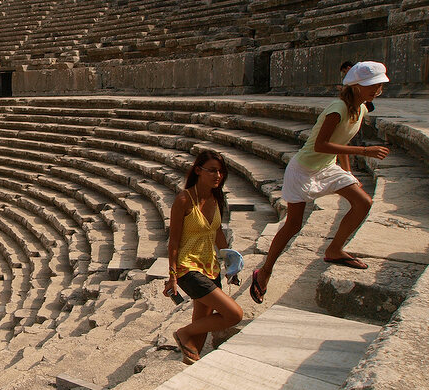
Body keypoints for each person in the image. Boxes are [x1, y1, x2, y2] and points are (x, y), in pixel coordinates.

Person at [250, 61, 391, 304]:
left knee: (363, 202)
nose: (376, 90)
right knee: (293, 225)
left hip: (326, 166)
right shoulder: (337, 109)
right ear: (355, 86)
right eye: (371, 85)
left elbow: (343, 140)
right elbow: (320, 145)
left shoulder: (361, 108)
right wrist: (365, 151)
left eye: (378, 85)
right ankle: (264, 271)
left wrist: (348, 174)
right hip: (303, 169)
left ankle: (334, 250)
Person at [164, 150, 243, 364]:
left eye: (221, 172)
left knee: (197, 341)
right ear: (198, 171)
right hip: (188, 269)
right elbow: (173, 241)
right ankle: (182, 332)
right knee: (234, 314)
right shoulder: (183, 200)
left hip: (211, 268)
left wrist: (230, 263)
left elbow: (217, 232)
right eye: (213, 171)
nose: (218, 176)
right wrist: (172, 276)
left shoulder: (216, 198)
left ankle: (188, 355)